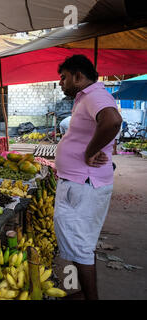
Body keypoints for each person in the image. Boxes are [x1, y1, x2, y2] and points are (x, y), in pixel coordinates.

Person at [54, 55, 122, 300]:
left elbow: (112, 121)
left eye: (63, 77)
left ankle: (90, 298)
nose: (61, 83)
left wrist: (90, 152)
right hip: (81, 183)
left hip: (84, 186)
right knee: (80, 243)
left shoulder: (94, 95)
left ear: (78, 76)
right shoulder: (87, 97)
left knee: (80, 246)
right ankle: (83, 292)